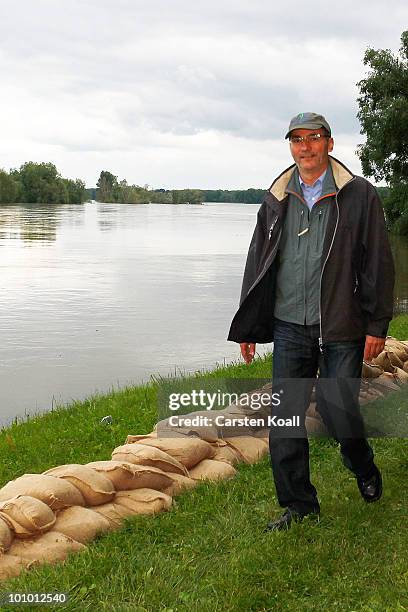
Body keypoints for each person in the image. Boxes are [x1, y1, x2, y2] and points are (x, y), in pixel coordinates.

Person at [228, 112, 395, 531]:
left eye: (314, 138)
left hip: (341, 326)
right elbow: (258, 261)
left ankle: (361, 464)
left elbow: (377, 261)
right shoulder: (277, 197)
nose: (305, 147)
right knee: (285, 419)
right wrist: (248, 327)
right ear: (290, 146)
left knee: (341, 414)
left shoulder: (360, 195)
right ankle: (299, 505)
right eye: (297, 140)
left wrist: (377, 325)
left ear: (330, 144)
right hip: (289, 325)